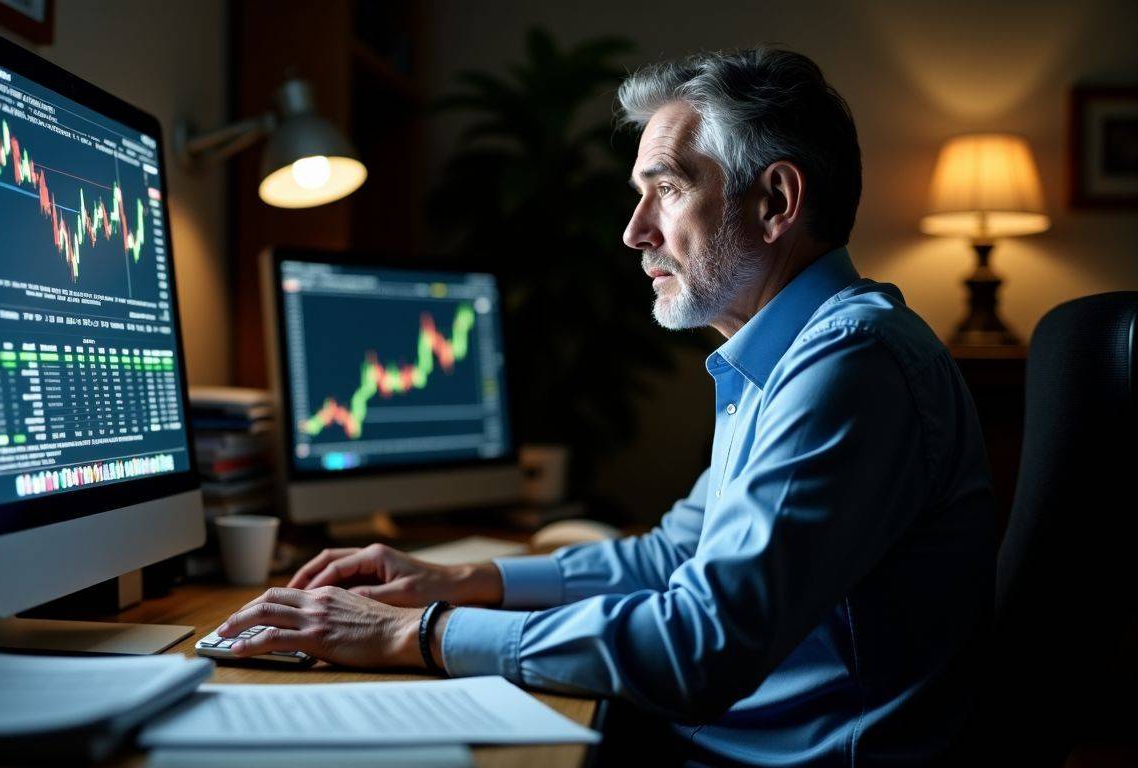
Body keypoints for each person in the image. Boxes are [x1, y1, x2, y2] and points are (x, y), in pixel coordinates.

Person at [214, 48, 994, 766]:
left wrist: (412, 632)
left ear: (775, 201)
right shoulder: (787, 356)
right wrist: (451, 581)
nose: (634, 231)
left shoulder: (851, 362)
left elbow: (700, 644)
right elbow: (669, 559)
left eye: (667, 188)